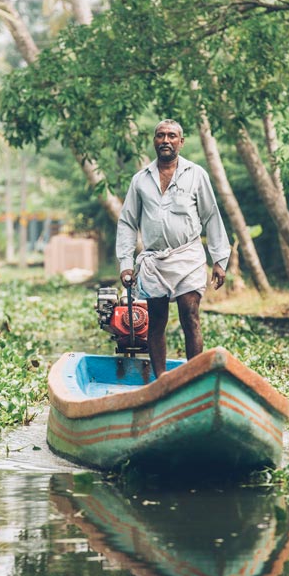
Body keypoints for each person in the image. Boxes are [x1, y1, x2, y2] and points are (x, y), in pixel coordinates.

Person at [115, 120, 230, 382]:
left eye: (172, 136)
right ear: (154, 141)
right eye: (160, 136)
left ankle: (195, 379)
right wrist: (125, 263)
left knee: (190, 315)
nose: (166, 140)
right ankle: (163, 379)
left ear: (181, 141)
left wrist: (219, 260)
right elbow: (127, 222)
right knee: (156, 321)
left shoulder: (196, 174)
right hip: (154, 260)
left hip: (188, 255)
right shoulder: (140, 180)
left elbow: (211, 216)